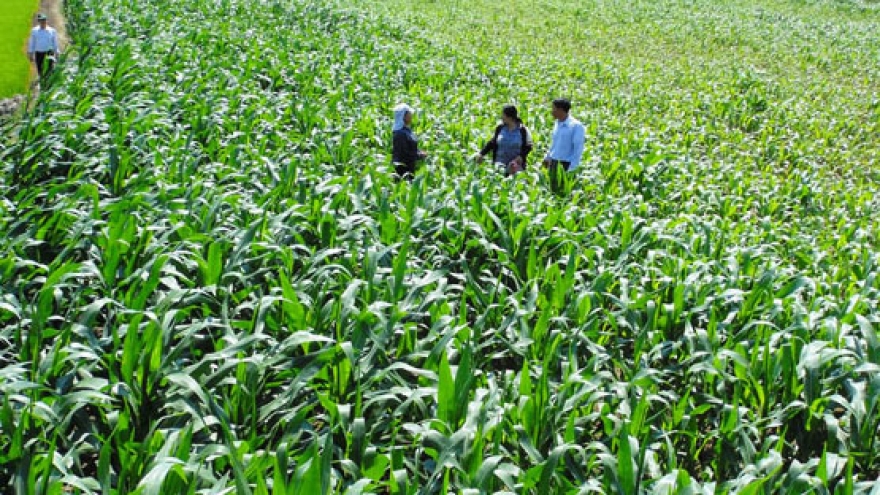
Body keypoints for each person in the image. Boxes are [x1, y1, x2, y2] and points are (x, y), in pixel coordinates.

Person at [475, 105, 533, 176]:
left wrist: (521, 156)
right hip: (499, 165)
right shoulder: (500, 128)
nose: (501, 117)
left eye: (503, 115)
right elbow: (493, 142)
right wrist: (481, 153)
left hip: (515, 167)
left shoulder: (522, 130)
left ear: (510, 117)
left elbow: (529, 146)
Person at [542, 98, 585, 190]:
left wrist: (572, 168)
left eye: (554, 109)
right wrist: (548, 157)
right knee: (553, 190)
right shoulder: (557, 123)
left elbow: (578, 149)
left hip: (566, 164)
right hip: (554, 162)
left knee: (563, 192)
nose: (552, 112)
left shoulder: (576, 126)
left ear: (561, 110)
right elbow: (555, 143)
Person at [391, 103, 427, 179]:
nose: (411, 115)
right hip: (403, 172)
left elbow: (412, 147)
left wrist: (419, 152)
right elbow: (404, 155)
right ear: (404, 116)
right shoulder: (400, 134)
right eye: (409, 113)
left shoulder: (407, 131)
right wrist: (419, 155)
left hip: (410, 169)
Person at [28, 13, 60, 79]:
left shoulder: (52, 31)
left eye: (44, 20)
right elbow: (32, 42)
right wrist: (30, 53)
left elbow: (55, 42)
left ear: (46, 20)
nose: (43, 22)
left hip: (49, 53)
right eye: (41, 20)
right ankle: (42, 83)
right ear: (39, 21)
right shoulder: (34, 31)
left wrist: (57, 52)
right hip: (39, 53)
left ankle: (48, 84)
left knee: (49, 69)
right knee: (40, 69)